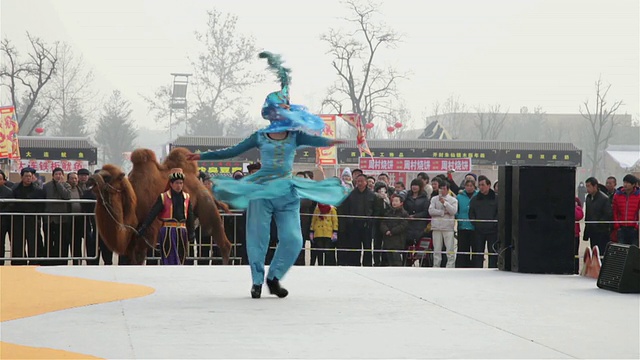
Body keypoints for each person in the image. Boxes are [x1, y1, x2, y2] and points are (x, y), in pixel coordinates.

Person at [187, 52, 348, 298]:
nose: (286, 111)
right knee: (257, 237)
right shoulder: (260, 136)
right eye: (281, 107)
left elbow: (317, 140)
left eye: (287, 107)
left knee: (294, 239)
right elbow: (233, 151)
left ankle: (274, 277)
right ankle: (256, 280)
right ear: (273, 111)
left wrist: (332, 140)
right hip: (261, 189)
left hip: (286, 190)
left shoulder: (296, 136)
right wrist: (203, 155)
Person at [137, 169, 196, 265]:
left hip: (182, 230)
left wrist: (192, 231)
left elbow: (190, 216)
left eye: (181, 183)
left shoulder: (186, 197)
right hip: (168, 230)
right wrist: (144, 227)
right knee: (169, 255)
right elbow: (153, 213)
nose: (179, 186)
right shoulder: (163, 197)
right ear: (171, 184)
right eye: (177, 183)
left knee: (181, 256)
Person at [429, 178, 458, 268]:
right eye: (440, 188)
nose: (441, 190)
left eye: (444, 188)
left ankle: (450, 266)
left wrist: (445, 203)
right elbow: (431, 211)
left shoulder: (453, 200)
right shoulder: (434, 199)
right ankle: (436, 266)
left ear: (448, 189)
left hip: (448, 227)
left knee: (450, 249)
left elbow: (453, 211)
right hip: (436, 227)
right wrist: (442, 212)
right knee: (437, 249)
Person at [583, 177, 612, 253]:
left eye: (589, 186)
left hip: (601, 232)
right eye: (586, 186)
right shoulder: (588, 198)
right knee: (594, 253)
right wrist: (586, 232)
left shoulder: (604, 199)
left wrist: (598, 224)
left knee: (601, 253)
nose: (587, 188)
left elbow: (607, 215)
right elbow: (587, 215)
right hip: (592, 232)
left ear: (595, 186)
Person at [380, 192, 409, 266]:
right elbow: (383, 222)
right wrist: (386, 230)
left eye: (396, 201)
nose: (394, 203)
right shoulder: (388, 212)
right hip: (388, 239)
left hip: (398, 239)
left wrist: (392, 231)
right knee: (389, 258)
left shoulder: (404, 214)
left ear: (401, 203)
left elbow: (403, 225)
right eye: (393, 201)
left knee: (396, 258)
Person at [612, 174, 640, 246]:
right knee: (622, 250)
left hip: (634, 228)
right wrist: (617, 225)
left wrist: (637, 226)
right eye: (624, 182)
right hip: (621, 228)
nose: (625, 184)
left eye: (628, 183)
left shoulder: (638, 195)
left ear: (633, 184)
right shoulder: (617, 195)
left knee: (633, 250)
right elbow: (615, 211)